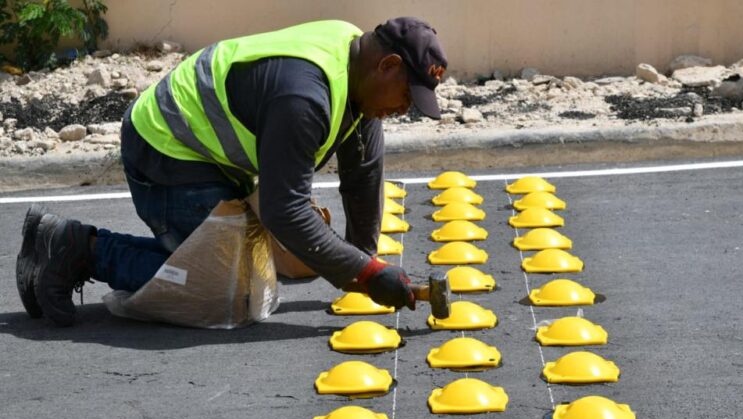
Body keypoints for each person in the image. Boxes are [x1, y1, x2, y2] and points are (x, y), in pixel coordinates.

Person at [16, 17, 448, 327]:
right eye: (407, 97)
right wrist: (368, 274)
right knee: (229, 293)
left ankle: (69, 243)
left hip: (210, 160)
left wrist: (363, 263)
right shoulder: (305, 96)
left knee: (286, 263)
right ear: (387, 66)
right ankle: (80, 248)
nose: (403, 110)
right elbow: (285, 211)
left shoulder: (356, 63)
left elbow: (363, 174)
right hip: (167, 154)